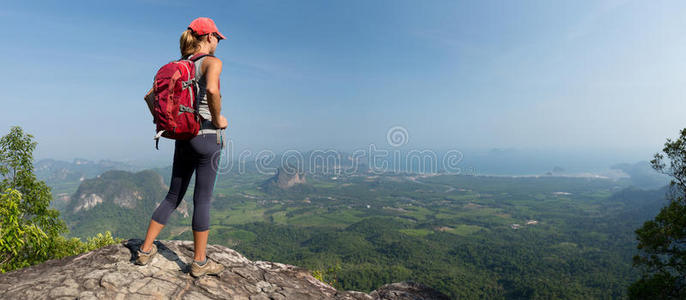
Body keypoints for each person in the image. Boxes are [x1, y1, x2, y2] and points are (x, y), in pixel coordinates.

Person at [135, 17, 229, 278]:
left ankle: (144, 250)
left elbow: (149, 97)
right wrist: (218, 118)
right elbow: (212, 90)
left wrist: (169, 124)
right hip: (207, 137)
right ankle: (199, 263)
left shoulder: (177, 66)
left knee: (173, 195)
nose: (218, 42)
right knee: (202, 199)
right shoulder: (212, 62)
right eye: (217, 38)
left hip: (183, 137)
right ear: (209, 37)